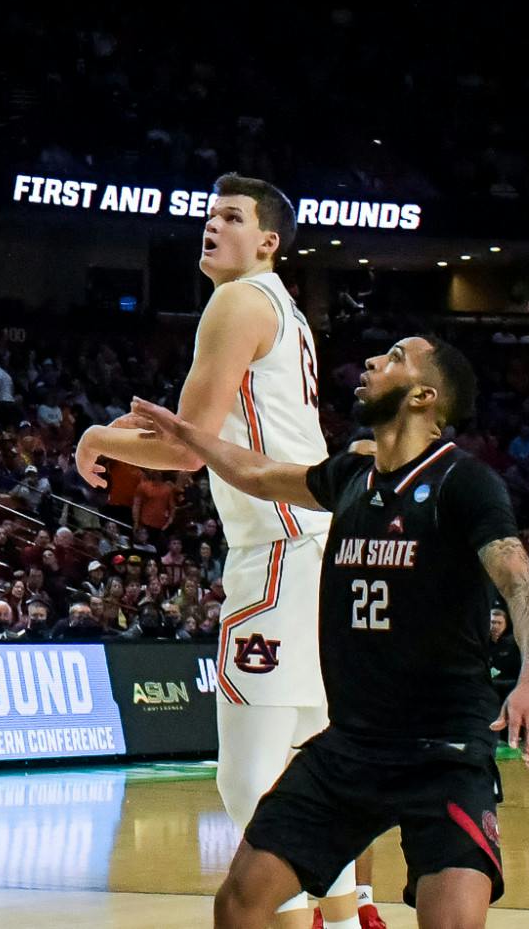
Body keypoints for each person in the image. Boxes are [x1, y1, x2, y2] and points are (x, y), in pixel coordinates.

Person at [128, 336, 529, 929]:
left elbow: (521, 584)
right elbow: (258, 472)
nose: (375, 362)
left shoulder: (464, 482)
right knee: (239, 902)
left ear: (424, 397)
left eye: (396, 357)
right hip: (352, 743)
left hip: (445, 748)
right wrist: (189, 435)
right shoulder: (351, 476)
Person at [71, 174, 358, 926]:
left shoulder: (238, 300)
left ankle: (298, 917)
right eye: (208, 215)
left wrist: (98, 436)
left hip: (281, 545)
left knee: (246, 778)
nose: (211, 226)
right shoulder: (285, 311)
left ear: (268, 240)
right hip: (315, 540)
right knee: (308, 755)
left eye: (231, 217)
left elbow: (190, 446)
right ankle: (353, 909)